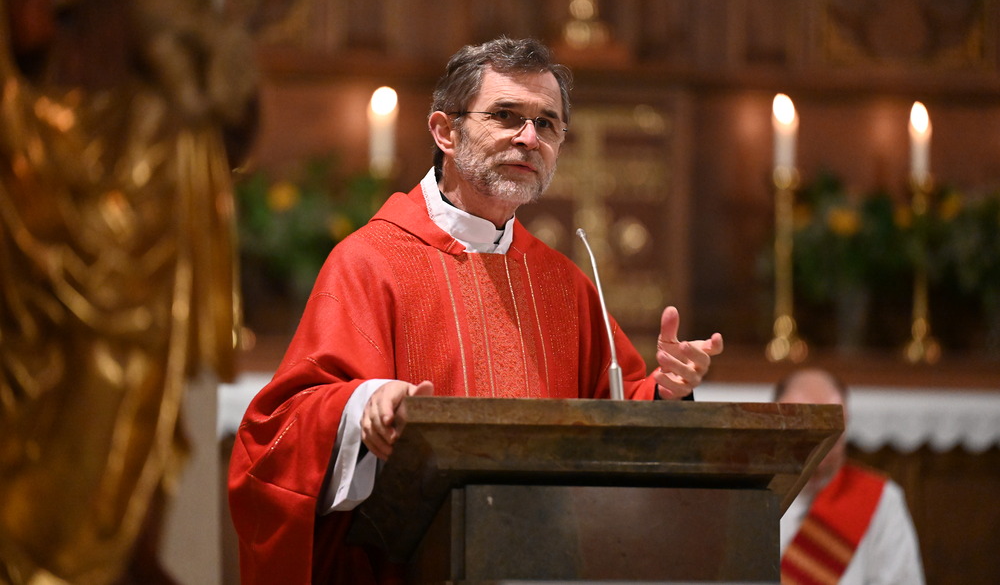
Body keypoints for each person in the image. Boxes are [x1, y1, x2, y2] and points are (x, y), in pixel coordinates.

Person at [228, 36, 725, 585]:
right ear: (445, 132)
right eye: (505, 116)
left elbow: (614, 412)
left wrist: (666, 394)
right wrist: (363, 406)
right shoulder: (371, 261)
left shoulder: (565, 284)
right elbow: (277, 432)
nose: (529, 138)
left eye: (547, 124)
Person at [775, 367, 925, 585]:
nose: (820, 450)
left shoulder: (881, 500)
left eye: (832, 434)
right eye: (804, 432)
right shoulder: (746, 497)